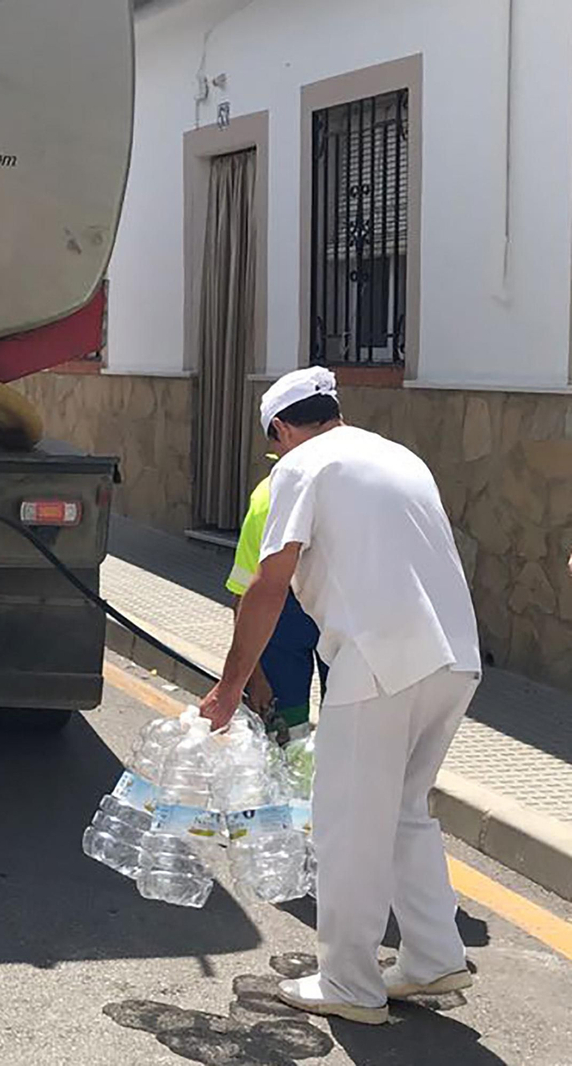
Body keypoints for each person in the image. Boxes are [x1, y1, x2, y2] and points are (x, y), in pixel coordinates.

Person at [199, 366, 482, 1026]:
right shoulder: (398, 456)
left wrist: (229, 686)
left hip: (379, 662)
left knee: (347, 823)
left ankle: (350, 984)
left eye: (274, 443)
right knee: (406, 811)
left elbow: (268, 586)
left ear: (281, 429)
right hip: (453, 660)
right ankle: (433, 957)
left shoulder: (302, 468)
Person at [226, 466, 327, 744]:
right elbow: (244, 593)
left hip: (291, 618)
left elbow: (243, 594)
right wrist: (253, 675)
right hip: (289, 618)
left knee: (335, 730)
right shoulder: (267, 498)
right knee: (284, 727)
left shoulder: (267, 495)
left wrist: (247, 675)